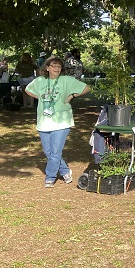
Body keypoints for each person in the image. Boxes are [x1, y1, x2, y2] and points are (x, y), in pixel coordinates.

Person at [25, 55, 90, 188]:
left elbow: (86, 88)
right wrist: (40, 98)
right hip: (44, 121)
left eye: (59, 66)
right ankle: (65, 171)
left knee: (55, 151)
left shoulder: (67, 80)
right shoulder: (40, 81)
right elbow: (27, 90)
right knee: (48, 152)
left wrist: (72, 96)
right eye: (53, 66)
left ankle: (50, 177)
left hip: (62, 121)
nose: (57, 68)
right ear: (47, 68)